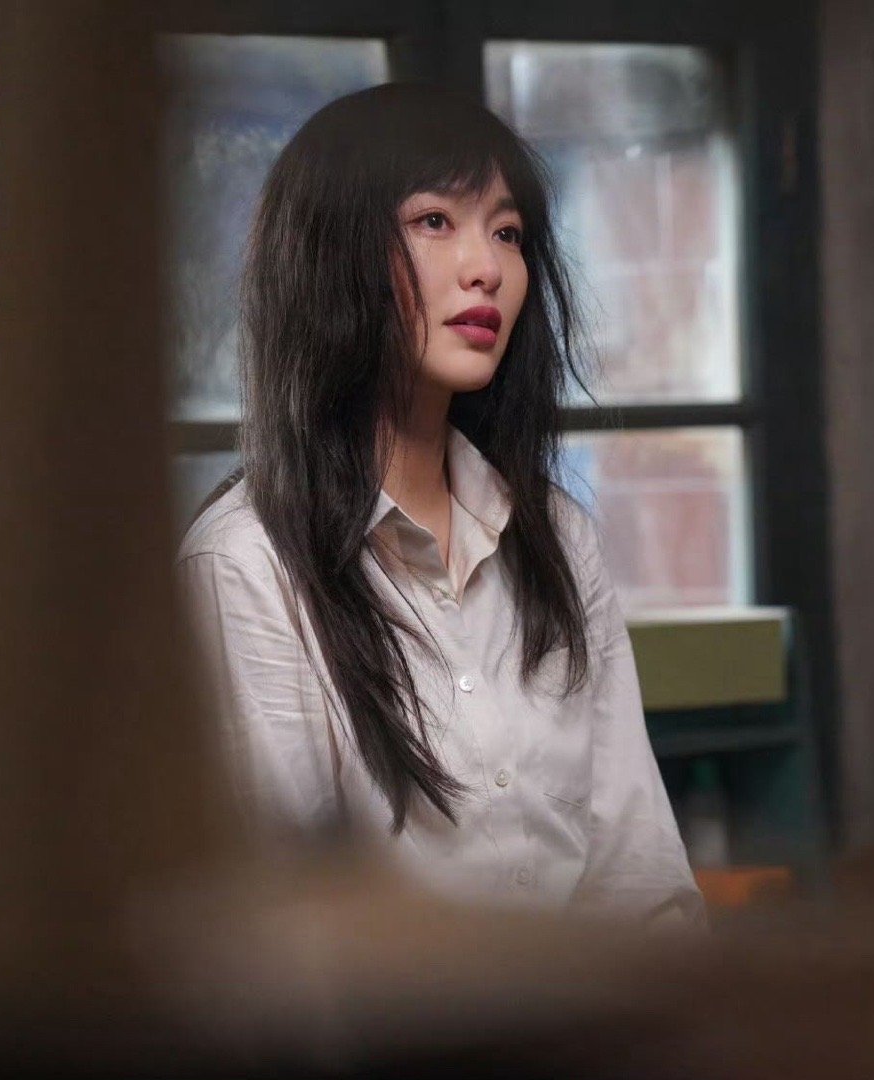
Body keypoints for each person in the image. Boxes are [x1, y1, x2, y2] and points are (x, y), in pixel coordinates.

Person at [177, 83, 705, 932]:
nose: (486, 267)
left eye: (507, 233)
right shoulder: (246, 563)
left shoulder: (558, 536)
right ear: (331, 255)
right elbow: (285, 932)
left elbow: (639, 877)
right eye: (434, 221)